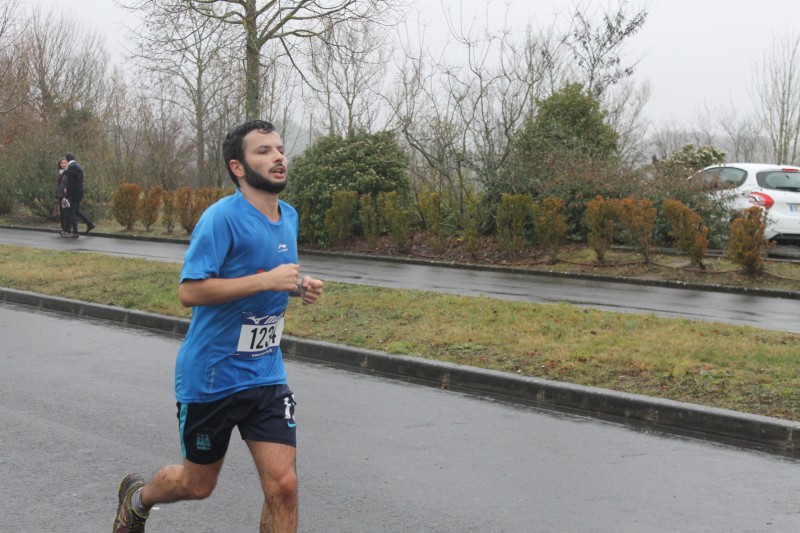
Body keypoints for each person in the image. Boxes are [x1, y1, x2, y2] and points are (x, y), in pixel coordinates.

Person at [112, 119, 324, 533]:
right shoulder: (221, 218)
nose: (278, 157)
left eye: (280, 149)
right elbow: (190, 291)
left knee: (284, 485)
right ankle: (137, 499)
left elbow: (265, 274)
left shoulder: (289, 216)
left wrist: (299, 287)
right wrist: (269, 280)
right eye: (263, 151)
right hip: (213, 377)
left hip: (265, 373)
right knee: (197, 485)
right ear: (238, 167)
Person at [62, 152, 95, 237]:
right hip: (80, 191)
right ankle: (89, 224)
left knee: (71, 212)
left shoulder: (71, 167)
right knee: (76, 211)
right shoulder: (78, 166)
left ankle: (75, 232)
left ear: (67, 160)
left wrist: (66, 196)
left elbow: (70, 183)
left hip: (74, 193)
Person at [54, 158, 70, 235]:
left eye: (65, 163)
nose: (63, 164)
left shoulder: (69, 172)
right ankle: (63, 228)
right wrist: (56, 194)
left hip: (66, 195)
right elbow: (58, 184)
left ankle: (67, 229)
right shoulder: (59, 173)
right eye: (62, 163)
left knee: (66, 212)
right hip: (60, 194)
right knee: (62, 212)